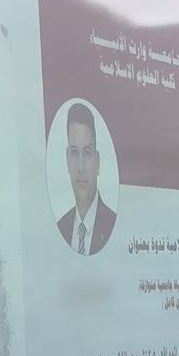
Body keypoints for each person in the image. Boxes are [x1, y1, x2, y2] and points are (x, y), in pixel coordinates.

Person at [56, 102, 116, 255]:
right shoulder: (60, 228)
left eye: (87, 152)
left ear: (97, 162)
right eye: (74, 153)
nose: (81, 167)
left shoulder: (113, 225)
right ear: (67, 160)